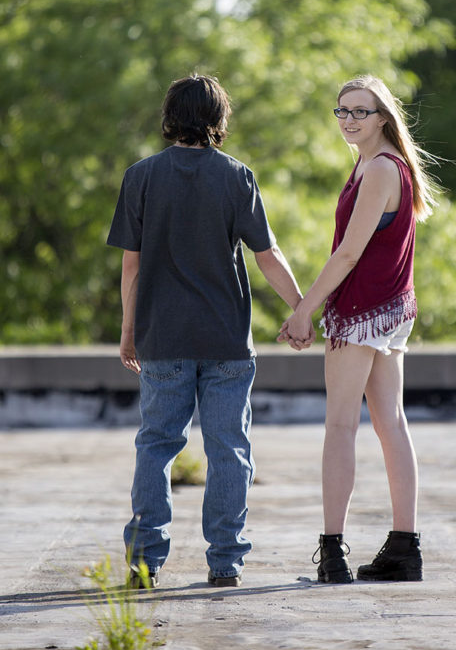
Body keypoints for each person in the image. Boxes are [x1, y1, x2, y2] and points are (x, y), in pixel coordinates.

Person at [108, 74, 310, 589]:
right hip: (226, 342)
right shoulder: (237, 177)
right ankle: (225, 563)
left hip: (163, 339)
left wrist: (129, 332)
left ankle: (144, 562)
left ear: (170, 116)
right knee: (230, 451)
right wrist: (302, 308)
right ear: (219, 120)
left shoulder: (141, 177)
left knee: (156, 446)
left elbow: (131, 268)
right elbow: (267, 255)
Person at [279, 74, 438, 584]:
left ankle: (332, 554)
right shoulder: (377, 163)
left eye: (360, 111)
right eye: (342, 111)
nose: (348, 119)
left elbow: (348, 251)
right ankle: (404, 548)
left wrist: (304, 308)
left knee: (342, 426)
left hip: (364, 312)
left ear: (384, 117)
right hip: (392, 311)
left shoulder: (380, 170)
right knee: (391, 422)